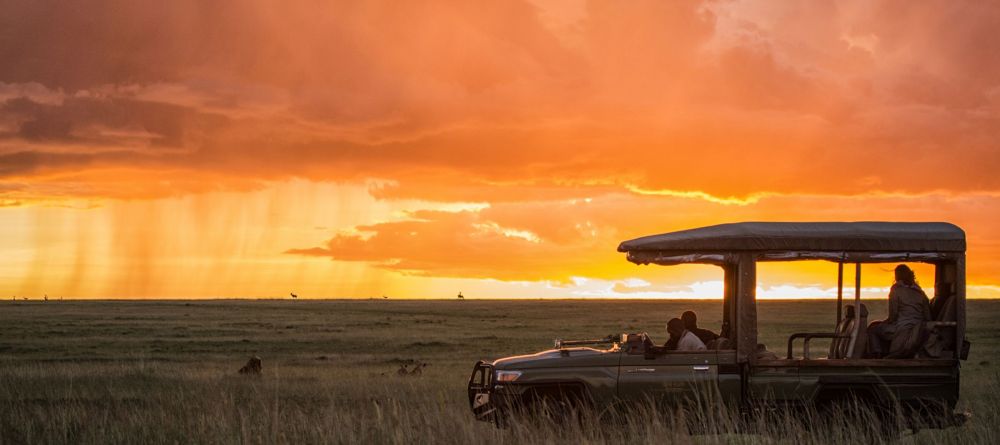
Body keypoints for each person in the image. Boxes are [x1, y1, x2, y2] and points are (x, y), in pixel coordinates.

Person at [867, 264, 932, 358]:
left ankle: (877, 356)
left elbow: (893, 315)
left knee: (872, 329)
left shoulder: (896, 290)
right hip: (917, 330)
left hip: (902, 328)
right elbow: (928, 316)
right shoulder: (920, 292)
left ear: (897, 275)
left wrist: (884, 323)